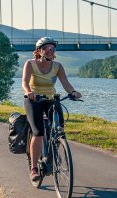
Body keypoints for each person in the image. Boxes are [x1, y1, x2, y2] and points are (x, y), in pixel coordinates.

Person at [22, 37, 82, 181]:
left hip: (51, 99)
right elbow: (25, 82)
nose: (50, 51)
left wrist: (73, 92)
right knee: (38, 132)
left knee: (59, 129)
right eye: (46, 48)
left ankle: (54, 150)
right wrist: (29, 92)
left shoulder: (58, 66)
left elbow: (65, 83)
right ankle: (34, 168)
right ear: (39, 50)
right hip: (34, 100)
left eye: (52, 49)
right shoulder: (30, 63)